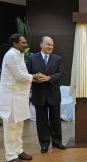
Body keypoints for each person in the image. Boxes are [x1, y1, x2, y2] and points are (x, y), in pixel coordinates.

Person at [0, 33, 42, 162]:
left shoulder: (18, 55)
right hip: (11, 97)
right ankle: (10, 156)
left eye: (25, 42)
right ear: (15, 44)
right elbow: (20, 76)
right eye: (23, 43)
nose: (26, 45)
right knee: (11, 127)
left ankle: (18, 151)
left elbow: (22, 75)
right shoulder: (12, 55)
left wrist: (33, 79)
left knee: (19, 126)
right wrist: (34, 76)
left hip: (19, 97)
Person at [26, 36, 66, 154]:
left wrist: (49, 78)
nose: (50, 47)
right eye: (48, 44)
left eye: (52, 45)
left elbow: (62, 73)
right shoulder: (32, 58)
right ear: (41, 45)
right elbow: (26, 74)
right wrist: (35, 78)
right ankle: (44, 144)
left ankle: (57, 142)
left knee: (55, 120)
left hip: (53, 94)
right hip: (39, 94)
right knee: (41, 121)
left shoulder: (57, 59)